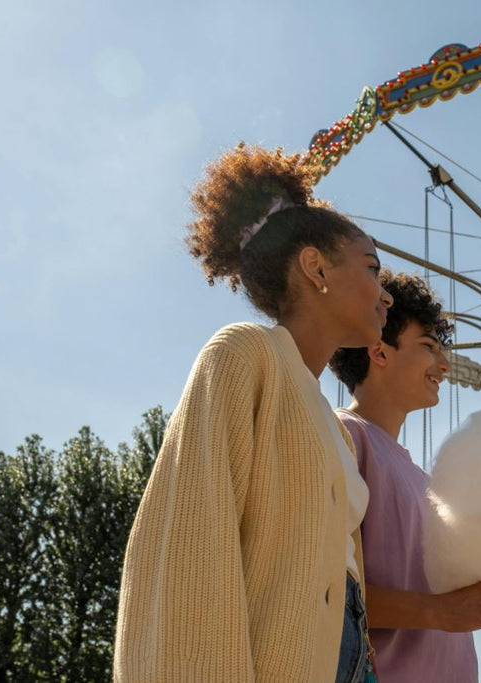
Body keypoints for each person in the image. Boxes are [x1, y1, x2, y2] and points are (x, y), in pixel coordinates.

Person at [113, 144, 393, 682]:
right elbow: (189, 551)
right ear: (315, 267)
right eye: (372, 268)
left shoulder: (331, 421)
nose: (385, 295)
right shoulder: (242, 354)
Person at [329, 271, 481, 682]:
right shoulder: (344, 437)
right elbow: (325, 588)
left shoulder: (421, 478)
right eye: (428, 347)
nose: (443, 365)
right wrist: (444, 611)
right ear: (379, 350)